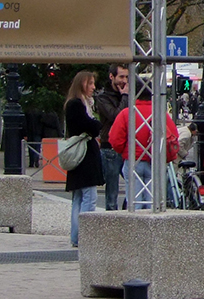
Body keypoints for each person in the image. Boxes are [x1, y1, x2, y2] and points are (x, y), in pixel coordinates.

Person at [109, 80, 179, 209]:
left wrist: (125, 151)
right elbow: (174, 135)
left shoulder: (126, 113)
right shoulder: (160, 114)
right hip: (155, 162)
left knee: (135, 203)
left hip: (133, 161)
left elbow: (115, 141)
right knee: (153, 204)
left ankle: (136, 228)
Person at [64, 70, 105, 247]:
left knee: (78, 197)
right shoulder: (77, 105)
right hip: (84, 154)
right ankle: (83, 235)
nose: (93, 88)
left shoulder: (76, 104)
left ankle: (76, 236)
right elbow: (91, 126)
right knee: (88, 195)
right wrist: (96, 124)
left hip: (81, 154)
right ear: (82, 84)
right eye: (90, 84)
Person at [94, 64, 129, 210]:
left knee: (133, 182)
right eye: (121, 76)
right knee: (112, 189)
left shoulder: (128, 94)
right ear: (111, 77)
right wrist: (125, 96)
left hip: (127, 146)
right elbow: (117, 116)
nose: (124, 81)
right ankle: (112, 216)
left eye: (127, 77)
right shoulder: (103, 98)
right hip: (110, 147)